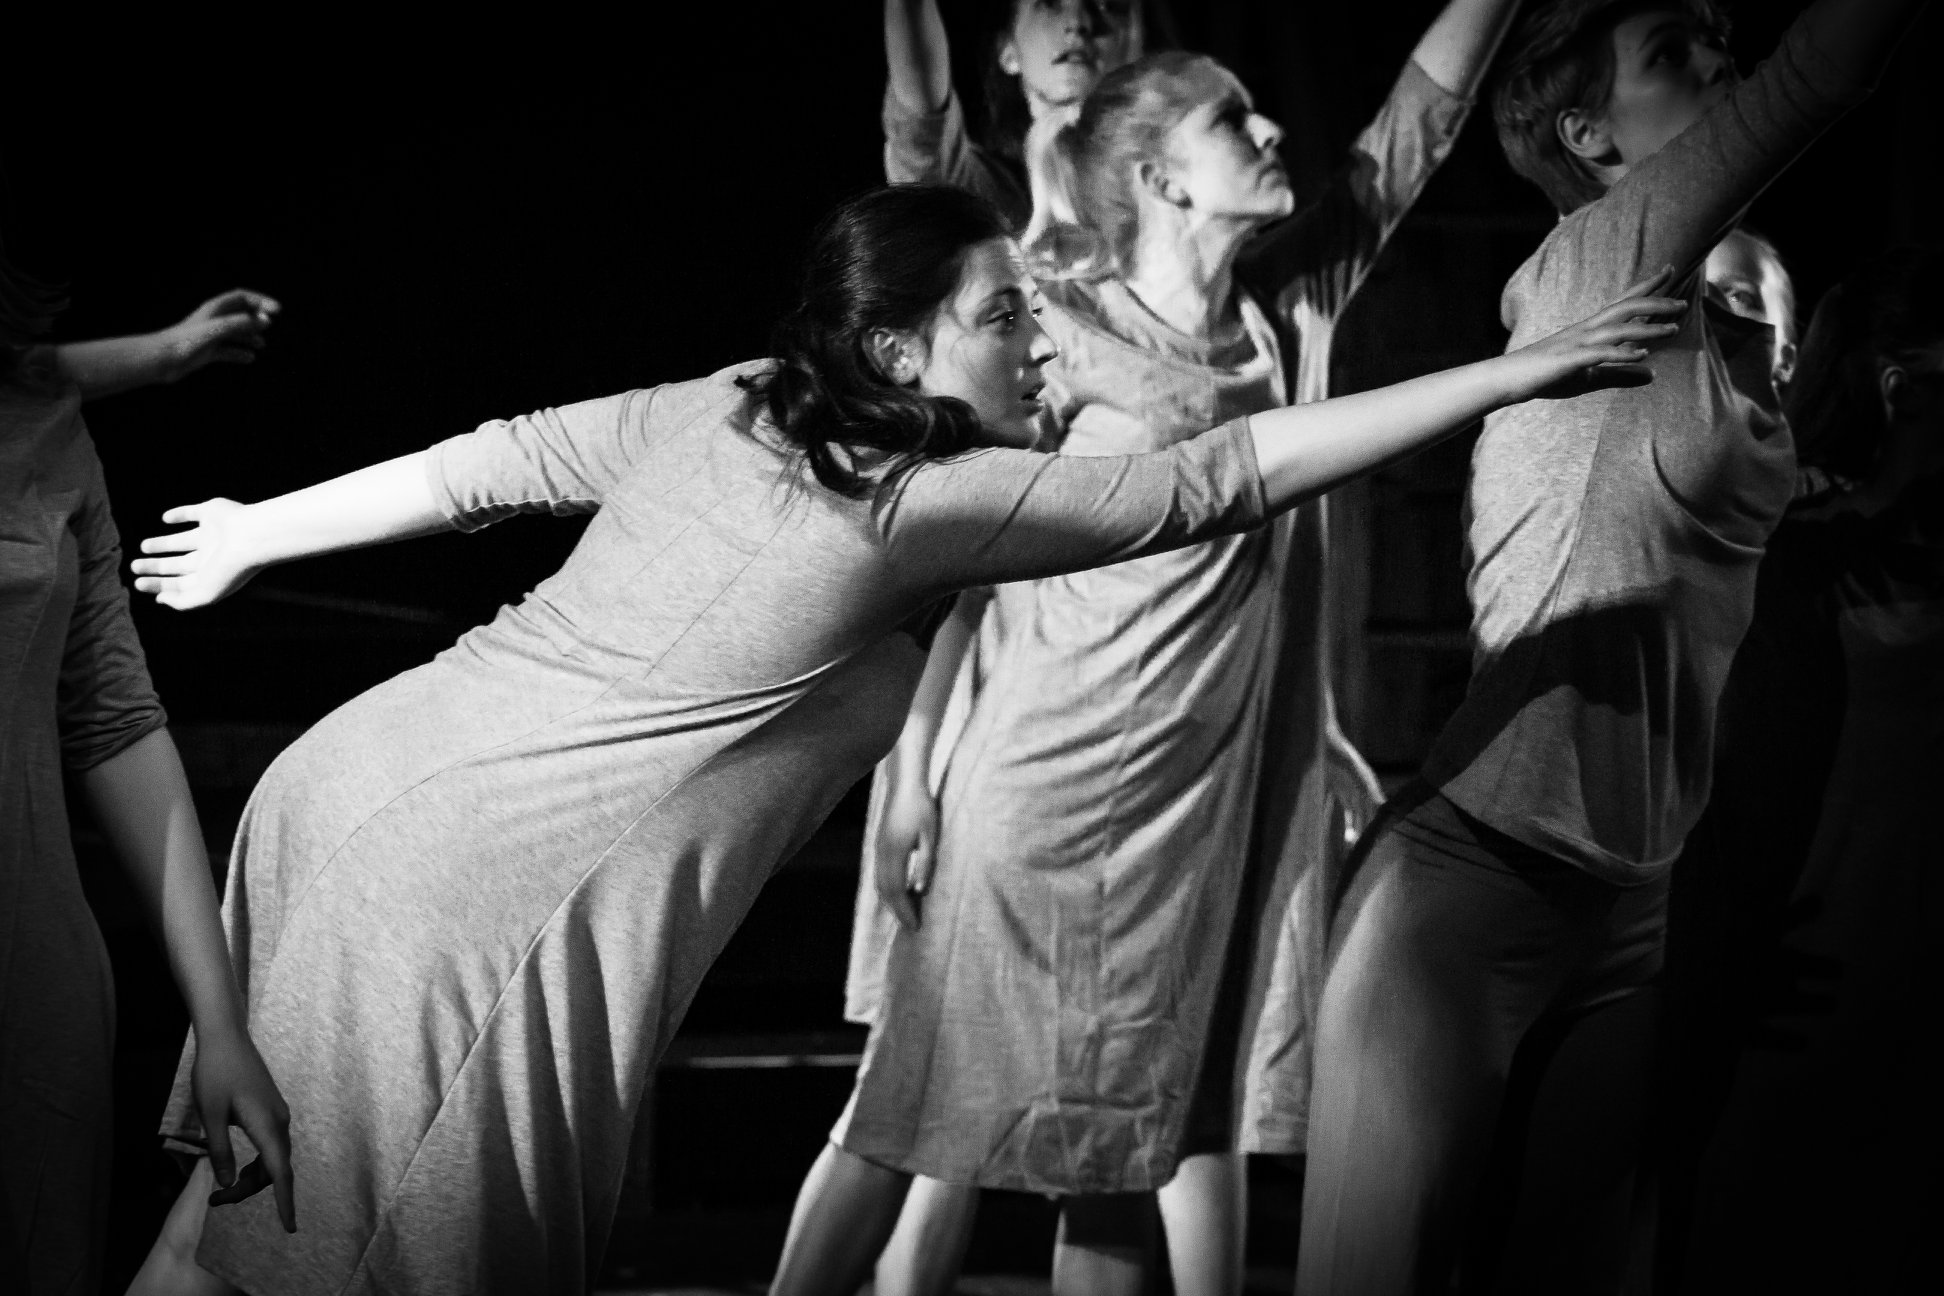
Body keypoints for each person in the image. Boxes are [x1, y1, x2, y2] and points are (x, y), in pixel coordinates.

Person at [114, 182, 1678, 1296]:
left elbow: (488, 463)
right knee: (381, 1259)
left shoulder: (736, 401)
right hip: (484, 898)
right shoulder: (921, 504)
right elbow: (1213, 480)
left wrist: (257, 529)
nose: (1043, 346)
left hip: (354, 794)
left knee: (229, 1235)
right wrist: (1518, 371)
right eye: (1004, 318)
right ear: (898, 356)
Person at [782, 4, 1519, 1293]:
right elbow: (959, 562)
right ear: (1162, 178)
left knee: (1126, 1153)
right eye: (1233, 119)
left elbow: (1418, 122)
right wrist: (909, 776)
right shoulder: (1058, 323)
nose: (1271, 129)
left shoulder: (1290, 305)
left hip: (1193, 814)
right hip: (1039, 789)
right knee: (906, 1117)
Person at [1291, 0, 1926, 1291]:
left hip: (1632, 911)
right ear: (1589, 133)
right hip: (1465, 896)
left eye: (1713, 34)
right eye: (1670, 52)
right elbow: (1825, 65)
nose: (1719, 57)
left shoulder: (1736, 341)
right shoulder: (1604, 260)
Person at [1, 240, 292, 1296]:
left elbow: (115, 721)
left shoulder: (42, 415)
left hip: (28, 992)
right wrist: (159, 354)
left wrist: (220, 1019)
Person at [1667, 246, 1944, 1291]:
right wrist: (1716, 962)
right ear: (1898, 386)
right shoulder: (1794, 548)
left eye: (1747, 302)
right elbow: (1721, 782)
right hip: (1826, 974)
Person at [881, 0, 1167, 230]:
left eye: (1108, 4)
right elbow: (923, 133)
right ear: (1008, 51)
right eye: (1050, 3)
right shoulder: (984, 202)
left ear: (1141, 43)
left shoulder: (1174, 178)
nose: (1078, 22)